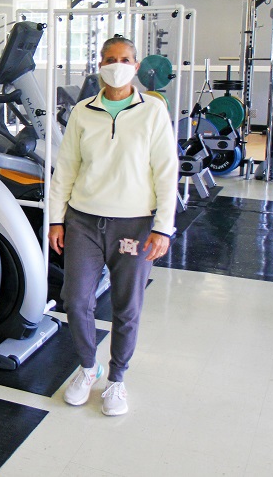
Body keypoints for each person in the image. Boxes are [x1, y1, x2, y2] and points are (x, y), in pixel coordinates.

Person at [47, 36, 178, 416]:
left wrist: (162, 227)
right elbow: (66, 169)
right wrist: (56, 219)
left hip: (134, 225)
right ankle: (89, 368)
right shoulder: (82, 112)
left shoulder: (152, 111)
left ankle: (117, 379)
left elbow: (166, 173)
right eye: (109, 59)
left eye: (123, 59)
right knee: (76, 300)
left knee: (127, 306)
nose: (116, 65)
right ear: (99, 64)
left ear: (136, 67)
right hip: (84, 221)